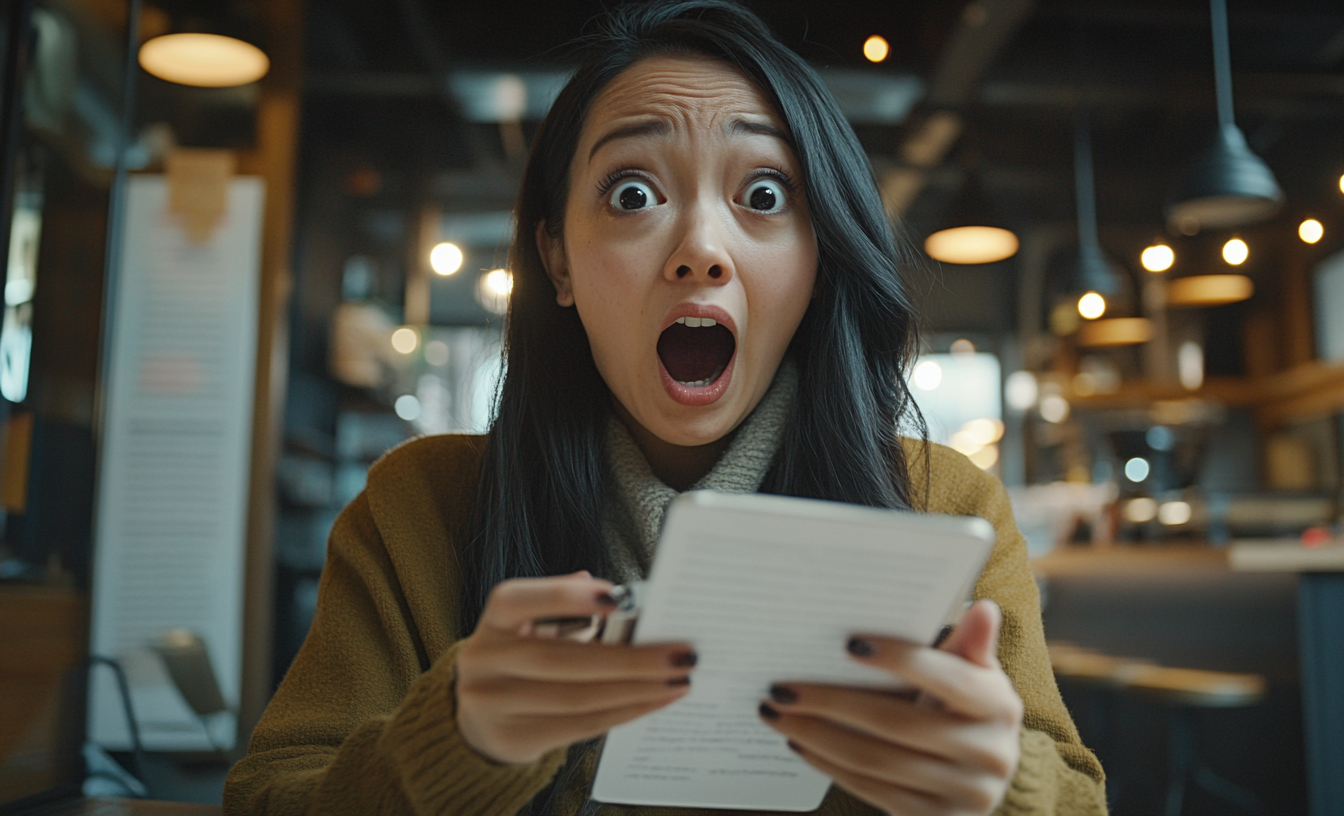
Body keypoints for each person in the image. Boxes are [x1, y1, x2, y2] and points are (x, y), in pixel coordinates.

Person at [224, 2, 1106, 814]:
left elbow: (1076, 797)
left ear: (820, 256)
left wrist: (1001, 788)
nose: (701, 250)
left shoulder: (943, 504)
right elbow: (267, 796)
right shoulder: (420, 507)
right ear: (558, 260)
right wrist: (454, 740)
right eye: (632, 193)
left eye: (763, 196)